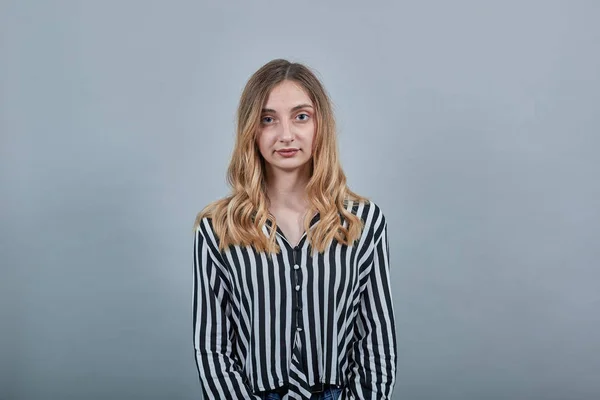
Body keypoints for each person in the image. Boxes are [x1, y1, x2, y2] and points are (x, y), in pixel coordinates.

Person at [192, 58, 397, 400]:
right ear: (251, 130)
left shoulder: (362, 222)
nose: (286, 134)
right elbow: (212, 348)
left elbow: (376, 342)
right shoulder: (218, 228)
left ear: (321, 125)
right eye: (268, 119)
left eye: (301, 116)